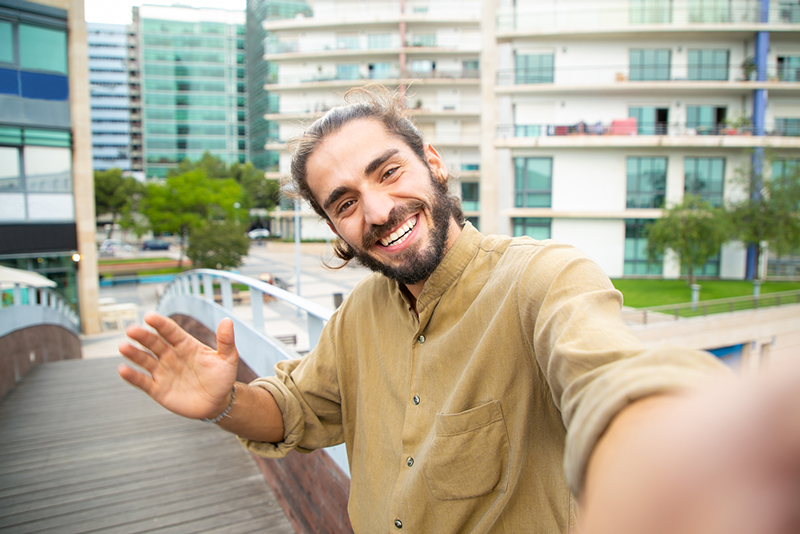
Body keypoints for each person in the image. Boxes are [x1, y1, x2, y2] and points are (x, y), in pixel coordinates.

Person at [119, 86, 800, 533]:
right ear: (336, 230)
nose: (379, 211)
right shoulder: (358, 320)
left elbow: (609, 379)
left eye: (389, 172)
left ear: (433, 163)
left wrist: (674, 462)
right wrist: (223, 402)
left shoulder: (544, 279)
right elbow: (296, 408)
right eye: (346, 202)